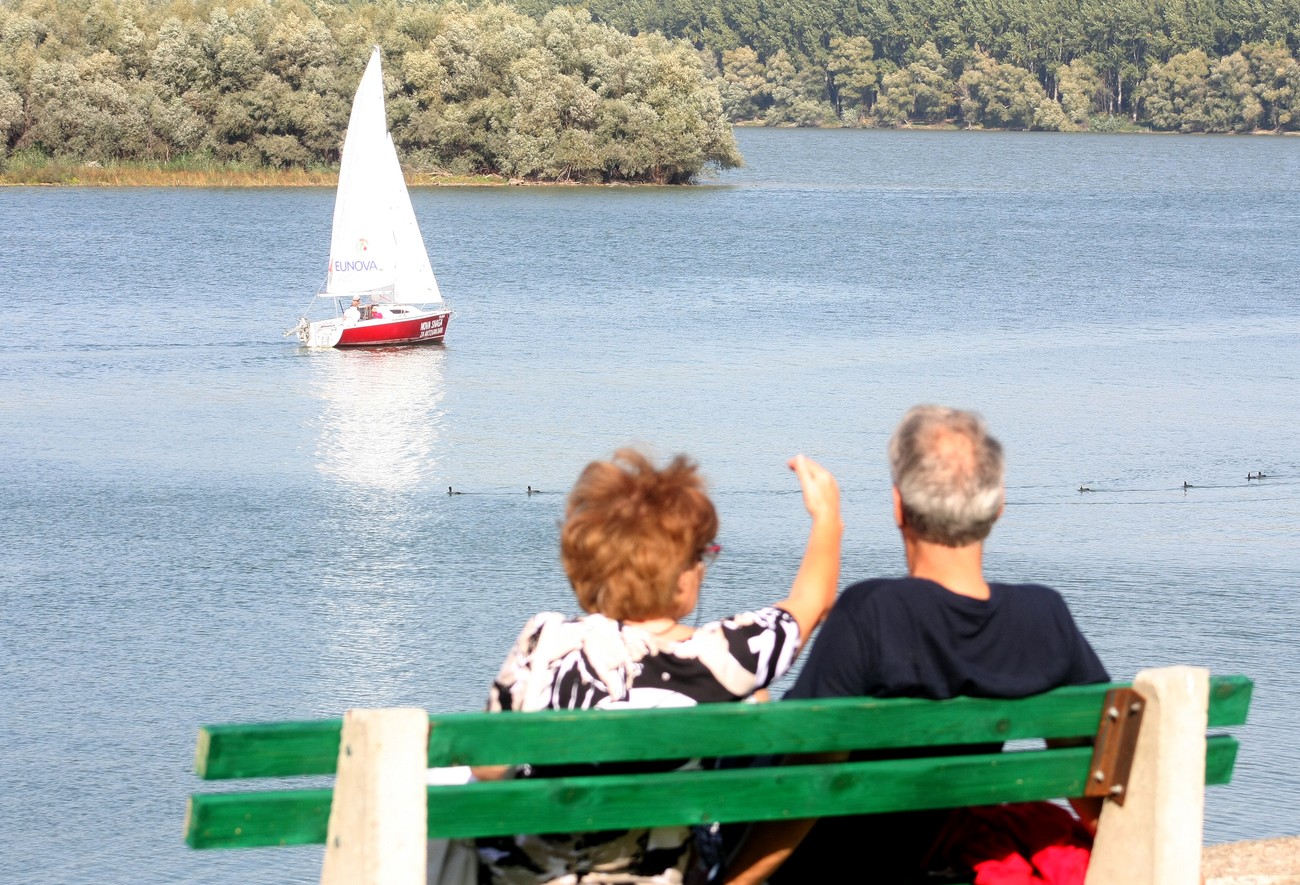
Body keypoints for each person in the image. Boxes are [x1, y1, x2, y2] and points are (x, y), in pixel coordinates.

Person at [724, 405, 1109, 885]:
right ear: (997, 505)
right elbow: (1095, 781)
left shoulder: (873, 613)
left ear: (898, 507)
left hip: (824, 863)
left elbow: (804, 777)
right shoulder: (1044, 617)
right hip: (920, 848)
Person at [474, 448, 842, 885]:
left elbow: (487, 768)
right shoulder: (717, 659)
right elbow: (810, 604)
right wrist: (827, 518)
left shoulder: (543, 636)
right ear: (683, 576)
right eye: (701, 555)